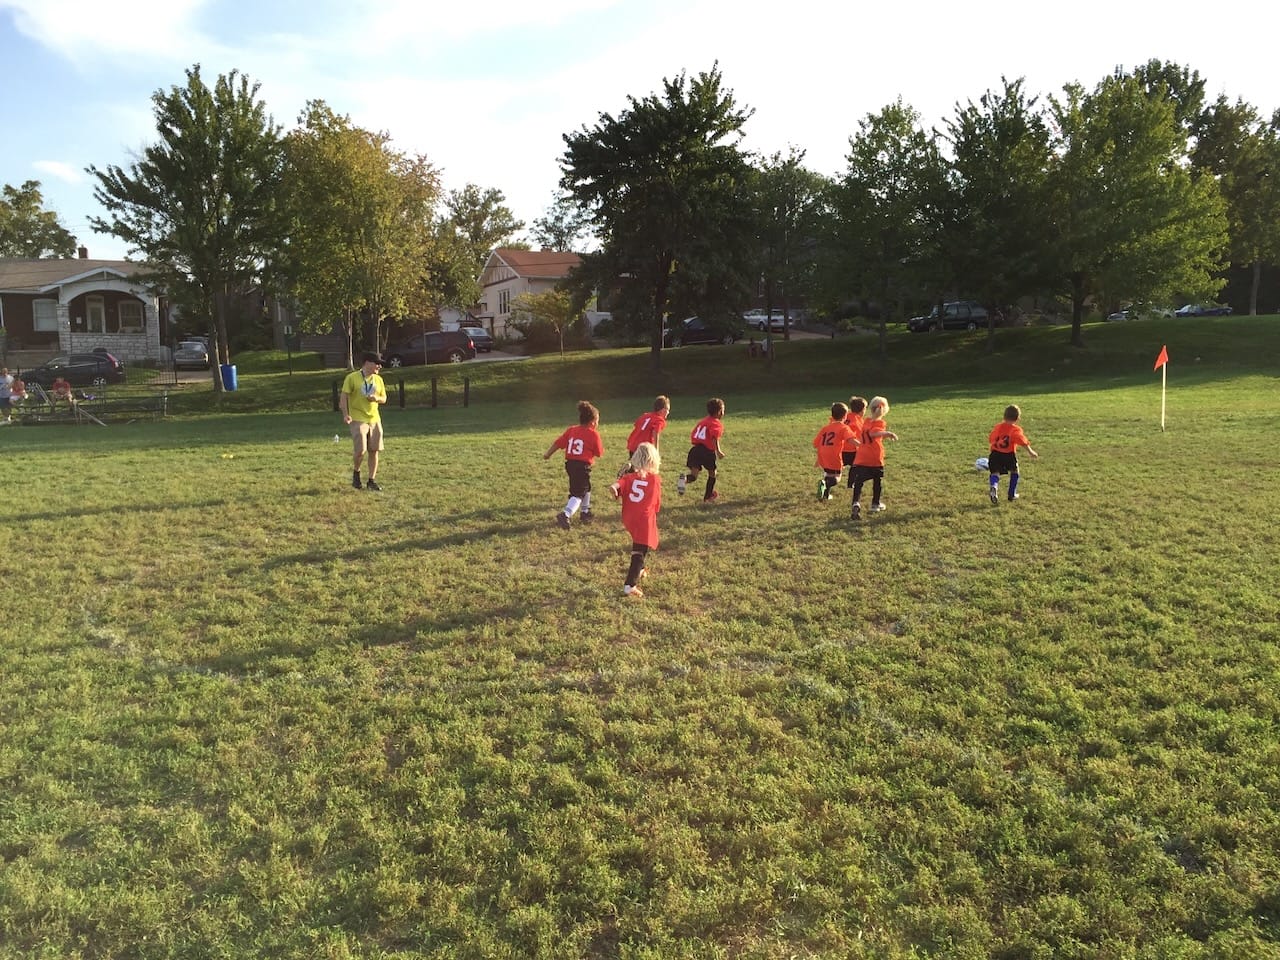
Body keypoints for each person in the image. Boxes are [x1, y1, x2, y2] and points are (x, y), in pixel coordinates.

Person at [609, 441, 663, 598]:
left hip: (629, 516)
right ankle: (629, 585)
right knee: (640, 550)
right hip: (643, 517)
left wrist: (615, 486)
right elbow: (656, 503)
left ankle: (640, 570)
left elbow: (617, 488)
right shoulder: (655, 479)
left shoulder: (629, 477)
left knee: (640, 543)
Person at [544, 400, 604, 529]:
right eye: (598, 421)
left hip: (570, 465)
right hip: (582, 467)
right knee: (578, 494)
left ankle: (585, 512)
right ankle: (565, 514)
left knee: (586, 487)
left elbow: (558, 443)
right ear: (593, 422)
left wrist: (548, 454)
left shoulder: (572, 430)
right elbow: (599, 453)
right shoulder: (593, 434)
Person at [338, 351, 388, 491]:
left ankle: (371, 480)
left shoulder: (378, 380)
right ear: (367, 363)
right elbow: (343, 397)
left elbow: (384, 398)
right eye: (377, 363)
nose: (379, 366)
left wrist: (376, 399)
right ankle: (356, 473)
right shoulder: (352, 378)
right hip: (358, 419)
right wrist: (346, 414)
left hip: (374, 419)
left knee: (374, 450)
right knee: (361, 451)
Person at [849, 395, 898, 520]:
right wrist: (887, 433)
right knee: (877, 480)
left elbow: (866, 433)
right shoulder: (879, 422)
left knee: (859, 481)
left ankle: (856, 502)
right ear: (883, 409)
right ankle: (875, 504)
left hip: (861, 455)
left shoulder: (866, 421)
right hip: (874, 456)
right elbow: (873, 433)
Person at [987, 404, 1038, 504]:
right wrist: (1030, 451)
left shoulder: (998, 427)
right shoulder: (1015, 430)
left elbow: (991, 439)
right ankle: (1011, 494)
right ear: (1017, 418)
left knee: (995, 473)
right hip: (1008, 455)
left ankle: (994, 486)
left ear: (1004, 416)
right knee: (1015, 471)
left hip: (995, 454)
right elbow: (1022, 441)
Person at [678, 397, 726, 502]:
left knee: (694, 476)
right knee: (712, 473)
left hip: (695, 450)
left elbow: (694, 434)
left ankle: (684, 480)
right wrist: (718, 451)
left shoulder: (703, 421)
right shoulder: (716, 423)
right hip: (707, 452)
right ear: (719, 412)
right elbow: (714, 437)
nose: (723, 413)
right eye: (723, 410)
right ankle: (708, 497)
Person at [618, 395, 670, 477]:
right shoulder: (659, 420)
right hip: (643, 448)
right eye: (667, 410)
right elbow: (655, 432)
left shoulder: (645, 415)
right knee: (644, 468)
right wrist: (656, 450)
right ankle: (630, 473)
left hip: (633, 444)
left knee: (636, 466)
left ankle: (628, 470)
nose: (668, 412)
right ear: (663, 410)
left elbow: (637, 425)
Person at [813, 402, 855, 501]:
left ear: (832, 415)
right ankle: (825, 484)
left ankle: (826, 495)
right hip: (834, 454)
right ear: (845, 416)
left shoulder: (826, 428)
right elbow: (850, 439)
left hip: (823, 454)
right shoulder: (844, 427)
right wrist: (861, 445)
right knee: (837, 477)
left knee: (829, 474)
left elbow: (815, 443)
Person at [841, 396, 866, 488]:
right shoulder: (857, 420)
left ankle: (828, 479)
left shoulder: (846, 416)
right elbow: (861, 433)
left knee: (836, 468)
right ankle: (851, 484)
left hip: (840, 448)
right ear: (862, 410)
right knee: (856, 466)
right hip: (852, 449)